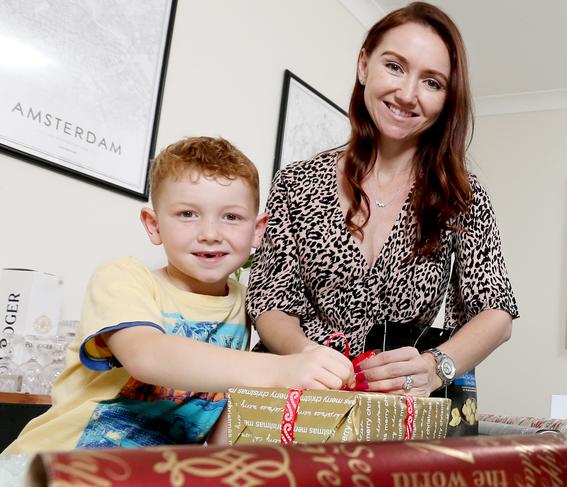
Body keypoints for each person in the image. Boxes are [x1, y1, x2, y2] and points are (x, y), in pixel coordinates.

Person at [4, 137, 353, 454]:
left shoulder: (243, 304)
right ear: (154, 225)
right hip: (52, 463)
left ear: (258, 230)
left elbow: (217, 409)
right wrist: (281, 369)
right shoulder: (124, 277)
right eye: (188, 214)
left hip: (149, 473)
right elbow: (147, 355)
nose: (211, 233)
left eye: (231, 217)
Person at [247, 2, 519, 401]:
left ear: (447, 99)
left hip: (392, 412)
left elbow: (496, 313)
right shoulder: (295, 182)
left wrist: (435, 367)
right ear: (364, 66)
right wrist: (307, 357)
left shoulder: (463, 197)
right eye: (394, 66)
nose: (407, 94)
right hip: (293, 401)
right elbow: (270, 300)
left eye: (432, 82)